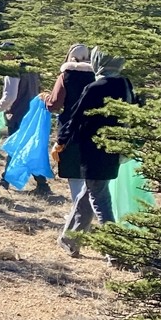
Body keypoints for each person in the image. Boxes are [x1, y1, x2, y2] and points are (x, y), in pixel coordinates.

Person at [55, 47, 136, 258]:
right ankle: (69, 239)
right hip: (115, 151)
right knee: (89, 192)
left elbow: (76, 118)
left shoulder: (94, 87)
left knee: (100, 200)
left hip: (92, 152)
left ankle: (113, 251)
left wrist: (60, 142)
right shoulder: (125, 84)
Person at [0, 46, 51, 197]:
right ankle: (42, 185)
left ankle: (6, 180)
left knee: (15, 148)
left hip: (18, 115)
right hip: (32, 115)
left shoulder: (12, 71)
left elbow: (9, 98)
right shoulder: (31, 69)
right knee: (28, 148)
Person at [41, 44, 96, 209]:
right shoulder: (96, 77)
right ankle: (89, 211)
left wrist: (45, 98)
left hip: (69, 130)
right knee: (91, 175)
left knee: (74, 173)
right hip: (93, 129)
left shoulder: (66, 76)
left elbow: (54, 104)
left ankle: (78, 214)